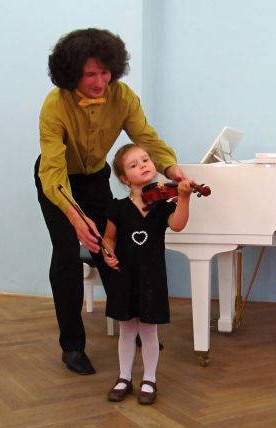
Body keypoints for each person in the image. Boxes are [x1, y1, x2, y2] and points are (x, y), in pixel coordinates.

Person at [35, 28, 187, 375]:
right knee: (67, 256)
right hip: (57, 182)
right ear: (72, 73)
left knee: (115, 250)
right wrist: (76, 220)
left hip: (95, 179)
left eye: (105, 72)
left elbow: (146, 138)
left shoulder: (123, 96)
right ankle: (72, 345)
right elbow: (53, 172)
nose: (100, 82)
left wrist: (170, 167)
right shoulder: (54, 105)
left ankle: (135, 323)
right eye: (90, 74)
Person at [102, 144, 192, 405]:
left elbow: (178, 224)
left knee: (149, 331)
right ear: (124, 179)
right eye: (134, 165)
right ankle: (124, 377)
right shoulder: (118, 208)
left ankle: (149, 378)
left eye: (145, 160)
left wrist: (184, 198)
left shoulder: (163, 205)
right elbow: (109, 238)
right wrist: (108, 253)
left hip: (151, 277)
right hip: (125, 277)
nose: (143, 165)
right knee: (127, 329)